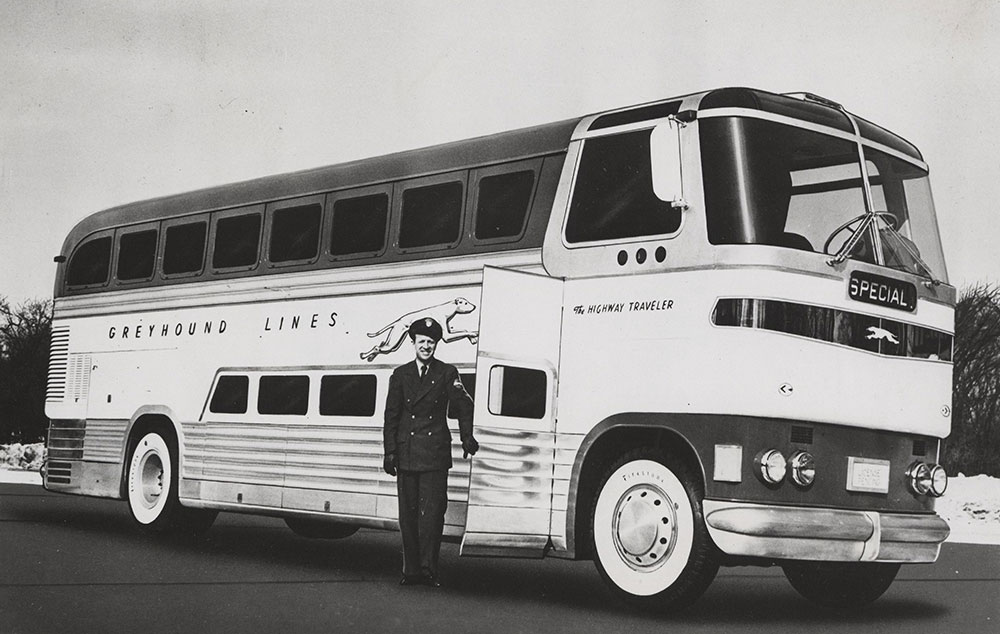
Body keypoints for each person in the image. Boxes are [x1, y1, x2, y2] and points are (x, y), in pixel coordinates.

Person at [382, 317, 478, 587]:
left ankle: (428, 570)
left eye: (431, 342)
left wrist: (466, 436)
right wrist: (390, 451)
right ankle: (410, 571)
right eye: (422, 342)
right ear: (413, 343)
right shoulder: (400, 375)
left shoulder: (447, 373)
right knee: (408, 515)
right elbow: (391, 416)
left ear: (436, 344)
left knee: (433, 515)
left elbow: (463, 404)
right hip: (408, 452)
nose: (426, 346)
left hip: (434, 454)